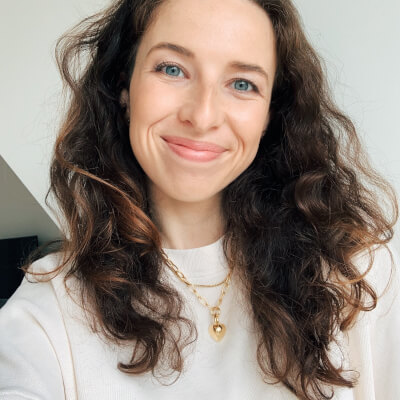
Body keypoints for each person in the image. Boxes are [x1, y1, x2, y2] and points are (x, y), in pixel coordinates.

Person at [0, 0, 399, 399]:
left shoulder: (357, 274)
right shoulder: (50, 307)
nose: (203, 116)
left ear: (269, 115)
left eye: (242, 84)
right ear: (124, 87)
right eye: (172, 69)